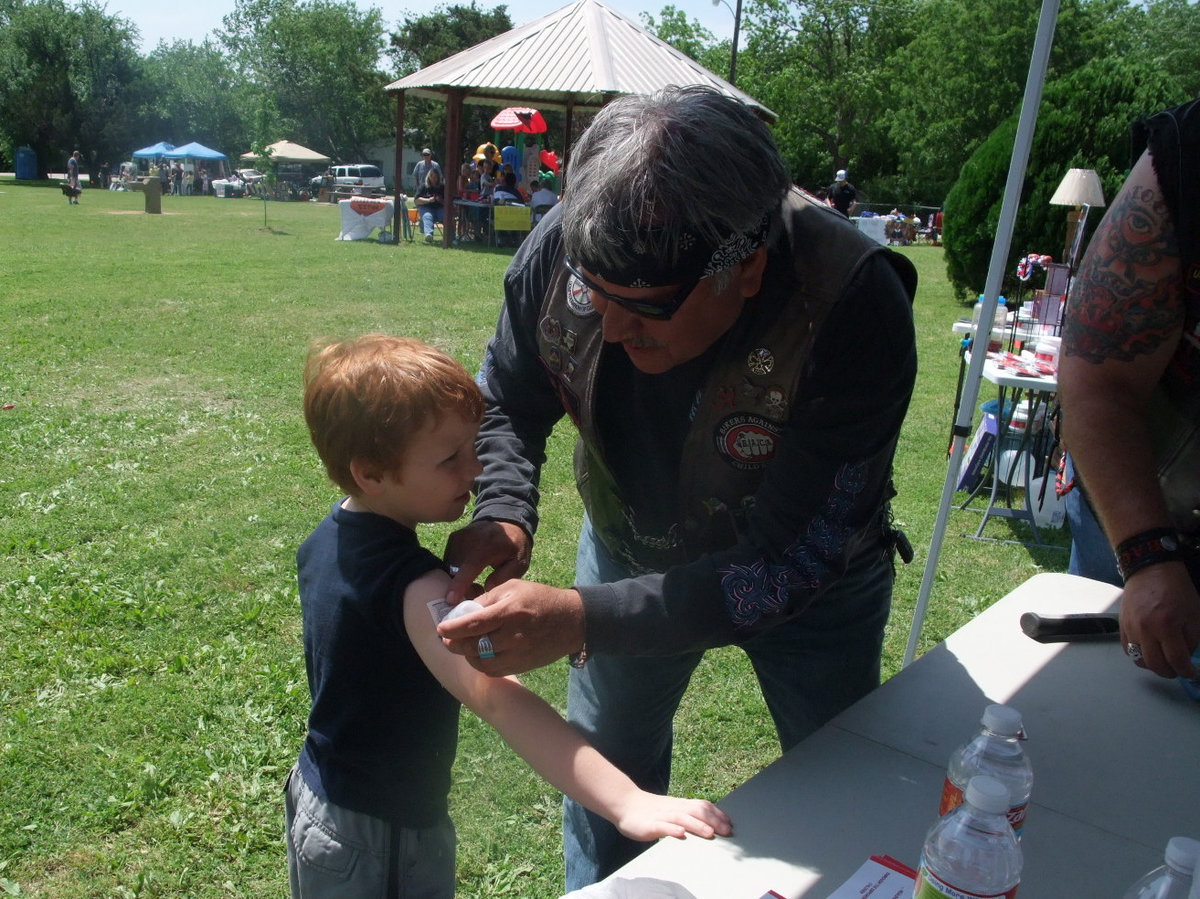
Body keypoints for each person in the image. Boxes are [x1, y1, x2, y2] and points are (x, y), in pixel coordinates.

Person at [435, 86, 918, 889]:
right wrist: (505, 511)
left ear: (748, 265)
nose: (614, 331)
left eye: (647, 308)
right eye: (595, 293)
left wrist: (583, 617)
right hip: (627, 546)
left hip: (814, 582)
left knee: (846, 779)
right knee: (610, 780)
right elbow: (511, 402)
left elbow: (784, 566)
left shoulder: (852, 302)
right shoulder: (565, 243)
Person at [286, 334, 732, 898]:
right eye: (450, 459)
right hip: (382, 835)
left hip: (318, 795)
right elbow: (497, 697)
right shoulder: (414, 587)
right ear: (371, 473)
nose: (474, 470)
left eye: (472, 448)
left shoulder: (324, 539)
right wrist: (628, 801)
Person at [1058, 95, 1200, 683]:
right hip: (1154, 527)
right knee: (1098, 734)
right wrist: (1148, 558)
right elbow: (1097, 381)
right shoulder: (1191, 155)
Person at [415, 167, 445, 244]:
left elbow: (447, 202)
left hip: (439, 208)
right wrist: (429, 200)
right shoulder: (423, 186)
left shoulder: (442, 187)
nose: (434, 178)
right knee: (427, 216)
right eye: (432, 176)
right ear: (429, 177)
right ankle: (429, 235)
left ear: (438, 177)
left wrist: (440, 200)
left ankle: (451, 237)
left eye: (436, 176)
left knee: (445, 216)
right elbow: (417, 200)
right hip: (426, 208)